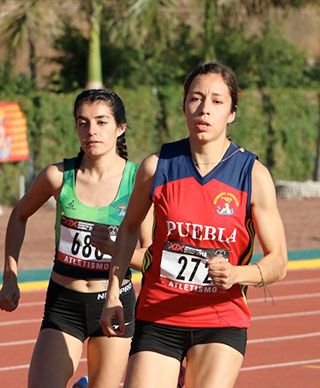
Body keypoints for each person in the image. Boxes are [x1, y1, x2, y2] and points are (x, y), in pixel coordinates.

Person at [99, 61, 288, 388]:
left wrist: (237, 274)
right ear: (184, 106)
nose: (204, 109)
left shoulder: (253, 175)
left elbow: (278, 262)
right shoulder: (157, 167)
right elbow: (129, 229)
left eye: (217, 101)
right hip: (159, 317)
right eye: (195, 99)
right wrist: (113, 294)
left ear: (231, 113)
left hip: (220, 319)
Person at [0, 89, 153, 388]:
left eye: (101, 122)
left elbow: (150, 257)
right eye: (83, 123)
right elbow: (19, 215)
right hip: (64, 302)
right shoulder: (58, 176)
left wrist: (115, 248)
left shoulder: (138, 182)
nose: (91, 131)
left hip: (114, 301)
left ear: (120, 128)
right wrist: (10, 274)